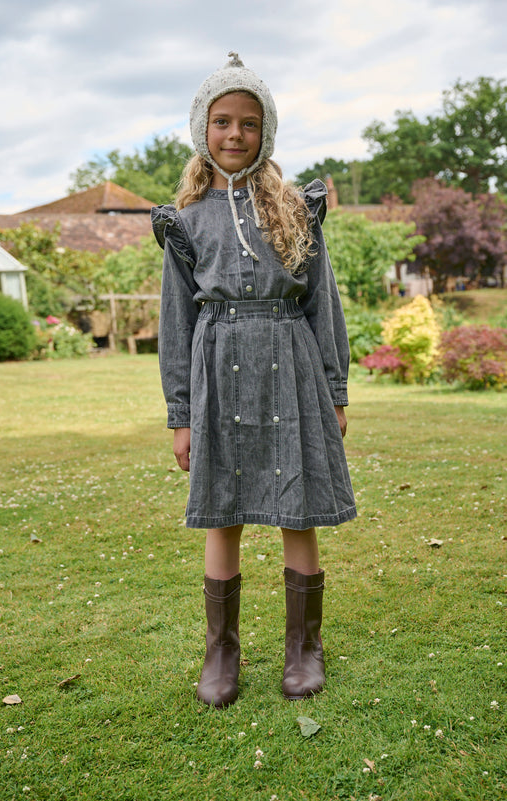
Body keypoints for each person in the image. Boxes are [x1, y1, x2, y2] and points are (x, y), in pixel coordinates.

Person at [151, 53, 356, 708]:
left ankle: (304, 648)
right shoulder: (184, 222)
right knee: (224, 513)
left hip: (291, 370)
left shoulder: (296, 210)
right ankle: (221, 652)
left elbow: (322, 304)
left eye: (248, 122)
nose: (234, 134)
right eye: (222, 122)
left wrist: (335, 390)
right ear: (201, 128)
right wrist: (181, 413)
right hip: (218, 375)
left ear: (265, 131)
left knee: (298, 509)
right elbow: (176, 324)